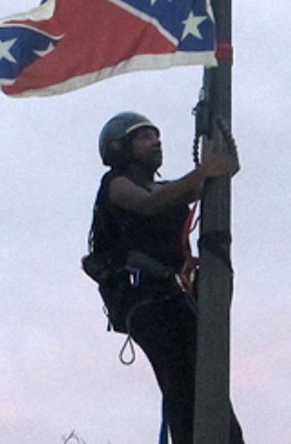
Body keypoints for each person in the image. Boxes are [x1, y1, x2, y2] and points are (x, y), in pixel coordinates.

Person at [85, 111, 244, 444]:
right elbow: (148, 204)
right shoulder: (116, 184)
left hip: (178, 299)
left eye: (156, 136)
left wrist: (221, 167)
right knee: (182, 386)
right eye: (144, 137)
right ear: (120, 149)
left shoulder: (164, 187)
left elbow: (191, 188)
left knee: (210, 384)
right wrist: (203, 171)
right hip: (147, 303)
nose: (156, 141)